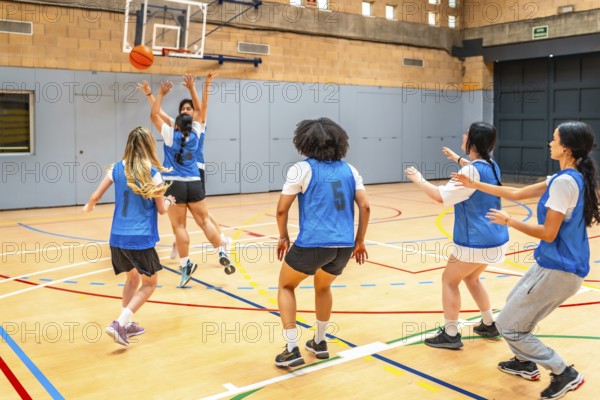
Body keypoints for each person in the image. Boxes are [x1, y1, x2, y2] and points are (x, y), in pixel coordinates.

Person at [452, 121, 598, 399]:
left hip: (561, 268)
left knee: (508, 325)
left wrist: (510, 221)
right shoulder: (566, 177)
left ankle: (564, 372)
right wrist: (475, 184)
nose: (550, 143)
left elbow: (548, 232)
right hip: (551, 263)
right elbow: (516, 193)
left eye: (554, 140)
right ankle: (523, 361)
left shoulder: (565, 183)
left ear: (565, 148)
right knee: (513, 307)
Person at [274, 118, 370, 367]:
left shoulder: (302, 169)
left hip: (313, 244)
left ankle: (292, 348)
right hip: (343, 246)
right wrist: (359, 241)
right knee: (323, 287)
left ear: (304, 142)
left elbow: (282, 210)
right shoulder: (351, 170)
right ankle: (319, 341)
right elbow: (366, 206)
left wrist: (283, 237)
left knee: (285, 286)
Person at [405, 122, 508, 349]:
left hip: (475, 241)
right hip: (497, 237)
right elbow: (473, 168)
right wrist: (456, 158)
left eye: (466, 134)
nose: (462, 136)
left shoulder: (469, 171)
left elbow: (439, 196)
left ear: (472, 141)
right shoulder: (492, 166)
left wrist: (418, 178)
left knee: (449, 281)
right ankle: (489, 323)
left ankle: (451, 333)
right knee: (471, 278)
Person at [82, 127, 175, 346]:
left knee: (132, 278)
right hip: (140, 238)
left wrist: (89, 206)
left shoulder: (116, 168)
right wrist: (170, 201)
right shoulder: (152, 172)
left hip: (117, 239)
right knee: (150, 284)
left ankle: (126, 324)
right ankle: (120, 323)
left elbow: (95, 195)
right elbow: (162, 209)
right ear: (149, 146)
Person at [139, 73, 233, 270]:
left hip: (178, 179)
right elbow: (197, 109)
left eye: (188, 108)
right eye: (184, 109)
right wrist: (151, 94)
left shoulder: (172, 133)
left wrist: (158, 93)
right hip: (194, 178)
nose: (186, 110)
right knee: (203, 219)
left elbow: (155, 115)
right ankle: (220, 247)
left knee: (180, 225)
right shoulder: (195, 128)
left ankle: (188, 259)